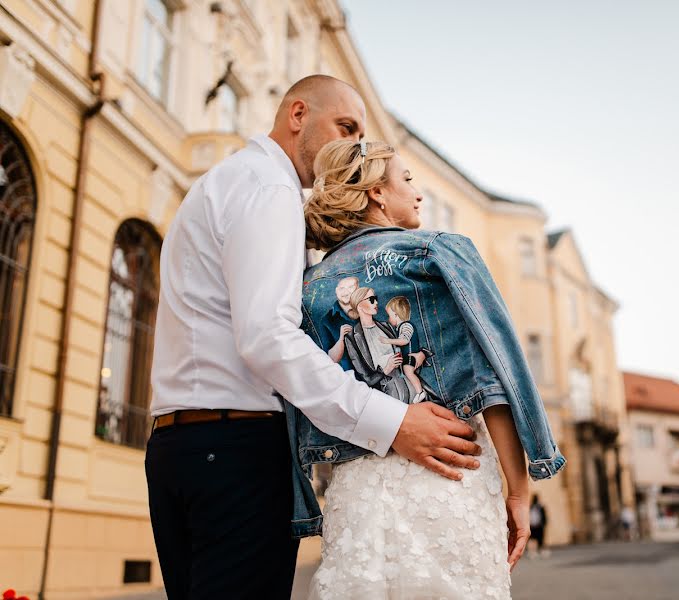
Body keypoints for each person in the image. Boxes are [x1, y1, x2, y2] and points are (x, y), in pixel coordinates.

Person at [145, 75, 482, 600]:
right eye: (344, 127)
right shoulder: (271, 187)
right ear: (297, 115)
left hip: (179, 447)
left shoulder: (221, 181)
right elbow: (265, 336)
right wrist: (391, 422)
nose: (350, 147)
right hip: (237, 452)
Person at [290, 139, 566, 599]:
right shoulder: (439, 251)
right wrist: (519, 488)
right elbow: (491, 376)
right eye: (408, 180)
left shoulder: (309, 288)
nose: (418, 194)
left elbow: (305, 393)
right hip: (452, 472)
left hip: (356, 495)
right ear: (377, 192)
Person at [380, 295, 431, 402]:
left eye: (389, 316)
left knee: (409, 372)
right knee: (408, 372)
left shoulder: (406, 325)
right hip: (407, 356)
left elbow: (404, 340)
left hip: (410, 355)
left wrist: (387, 340)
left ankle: (420, 392)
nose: (388, 319)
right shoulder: (401, 327)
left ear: (396, 314)